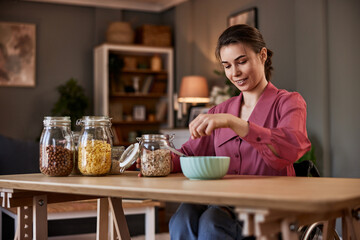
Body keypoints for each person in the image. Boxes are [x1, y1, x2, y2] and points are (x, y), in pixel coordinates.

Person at [137, 24, 311, 239]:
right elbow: (189, 154)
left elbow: (291, 147)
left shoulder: (288, 102)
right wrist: (154, 159)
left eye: (242, 62)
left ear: (262, 55)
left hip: (269, 210)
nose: (234, 73)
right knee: (183, 216)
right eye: (227, 66)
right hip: (224, 204)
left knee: (212, 222)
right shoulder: (220, 110)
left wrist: (234, 123)